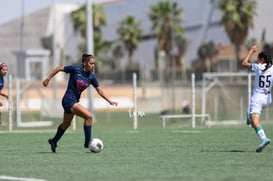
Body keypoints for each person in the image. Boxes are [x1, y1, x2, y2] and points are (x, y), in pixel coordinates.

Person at [42, 54, 118, 153]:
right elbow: (59, 68)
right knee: (89, 117)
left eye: (94, 64)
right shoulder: (75, 69)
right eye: (91, 63)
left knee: (66, 124)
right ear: (85, 63)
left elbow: (99, 90)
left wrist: (109, 101)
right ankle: (87, 143)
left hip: (74, 101)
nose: (93, 65)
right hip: (68, 100)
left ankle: (54, 141)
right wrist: (48, 78)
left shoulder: (91, 77)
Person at [242, 44, 272, 152]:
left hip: (258, 98)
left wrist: (251, 51)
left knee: (255, 123)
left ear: (262, 60)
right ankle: (250, 112)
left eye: (258, 59)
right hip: (268, 99)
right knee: (254, 114)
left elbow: (244, 63)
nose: (257, 61)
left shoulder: (259, 67)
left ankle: (264, 139)